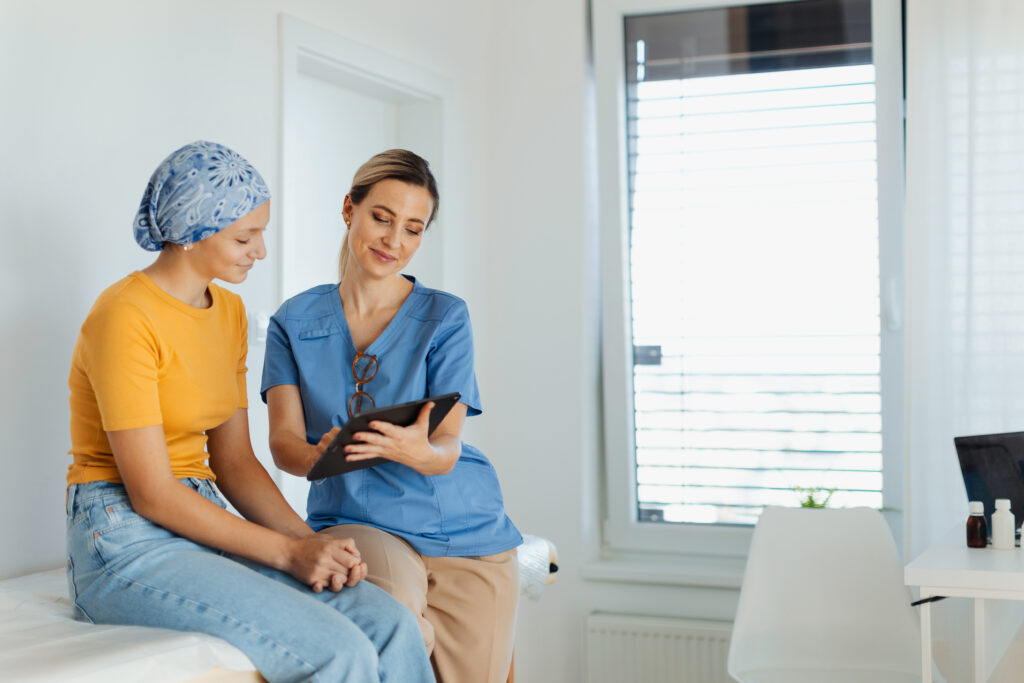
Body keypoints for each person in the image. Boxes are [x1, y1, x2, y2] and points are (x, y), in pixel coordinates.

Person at [65, 140, 433, 683]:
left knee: (390, 623)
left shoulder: (230, 313)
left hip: (198, 512)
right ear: (191, 233)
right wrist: (287, 553)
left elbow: (234, 462)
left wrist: (311, 544)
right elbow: (152, 492)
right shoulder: (124, 316)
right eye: (245, 236)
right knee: (339, 651)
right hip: (121, 536)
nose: (259, 251)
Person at [262, 149, 522, 683]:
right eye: (381, 218)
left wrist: (417, 451)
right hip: (361, 520)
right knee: (392, 627)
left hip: (469, 530)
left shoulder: (445, 316)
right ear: (348, 209)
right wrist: (322, 455)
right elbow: (284, 443)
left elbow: (447, 446)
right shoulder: (293, 321)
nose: (393, 241)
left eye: (413, 229)